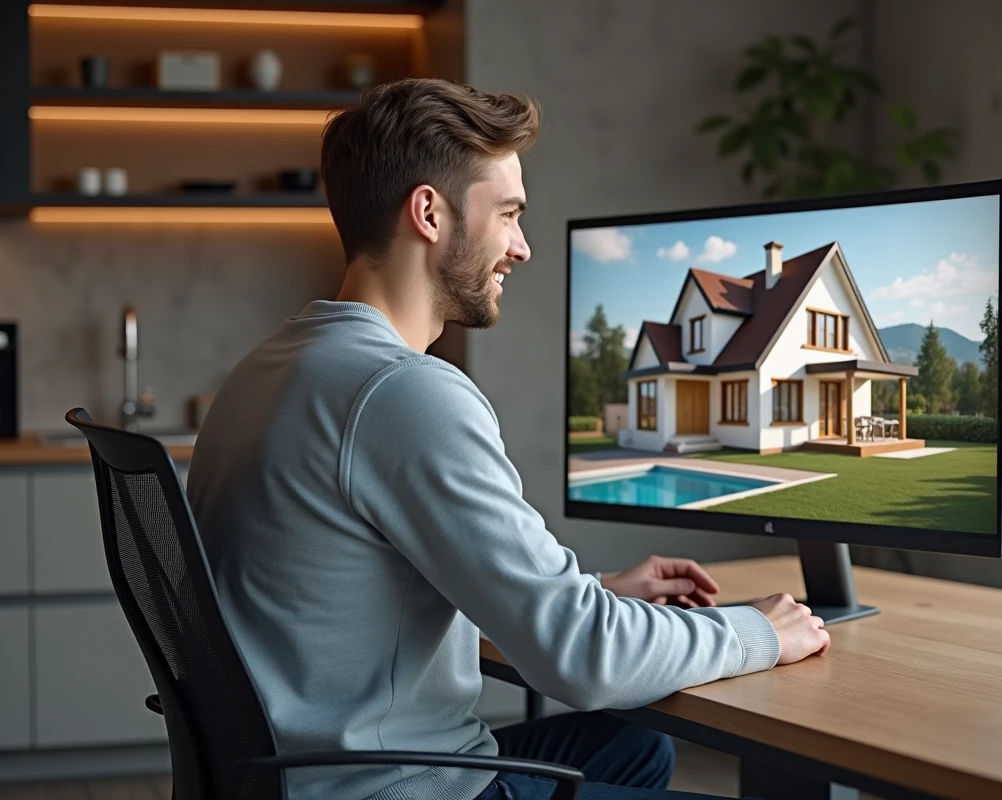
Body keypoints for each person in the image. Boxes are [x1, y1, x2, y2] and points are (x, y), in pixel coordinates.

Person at [186, 77, 830, 800]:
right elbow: (581, 658)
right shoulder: (403, 393)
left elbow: (355, 589)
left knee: (632, 739)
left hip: (301, 771)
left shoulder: (272, 365)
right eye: (510, 215)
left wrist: (590, 594)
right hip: (397, 786)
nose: (521, 248)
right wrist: (760, 632)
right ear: (429, 213)